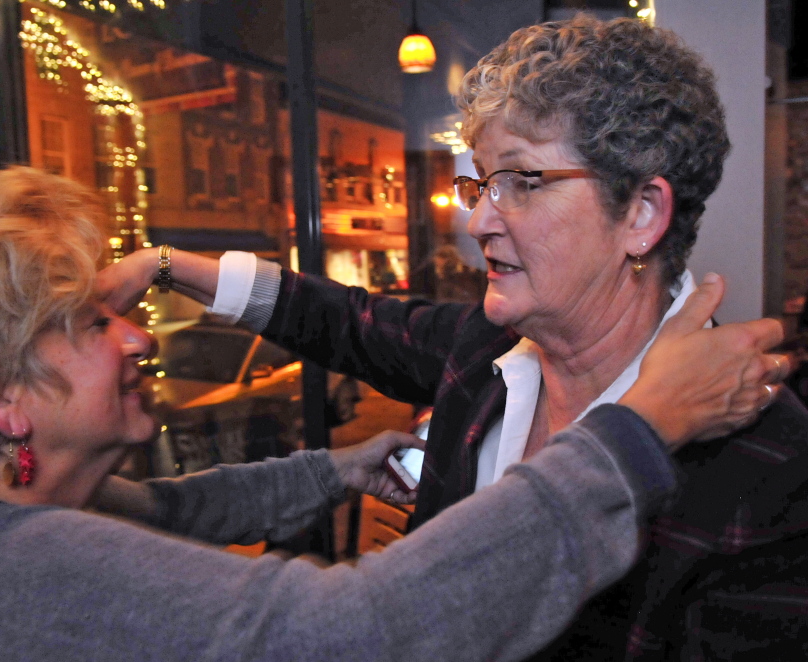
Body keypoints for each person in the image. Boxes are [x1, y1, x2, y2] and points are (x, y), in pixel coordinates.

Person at [0, 167, 788, 662]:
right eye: (90, 320)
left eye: (527, 180)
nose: (137, 339)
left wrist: (334, 469)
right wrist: (638, 426)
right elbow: (361, 630)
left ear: (642, 214)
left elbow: (177, 515)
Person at [103, 15, 808, 659]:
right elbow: (331, 316)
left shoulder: (771, 460)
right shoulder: (481, 351)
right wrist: (165, 266)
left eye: (524, 181)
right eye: (483, 185)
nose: (480, 223)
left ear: (642, 214)